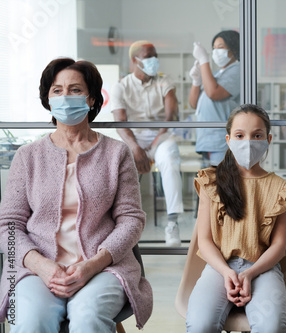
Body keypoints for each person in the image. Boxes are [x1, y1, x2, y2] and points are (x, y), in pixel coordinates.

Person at [0, 58, 152, 332]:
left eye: (75, 89)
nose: (65, 97)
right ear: (47, 98)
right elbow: (8, 226)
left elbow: (131, 219)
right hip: (37, 267)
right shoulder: (28, 156)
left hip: (102, 267)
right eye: (57, 90)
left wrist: (92, 265)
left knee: (88, 317)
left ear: (92, 99)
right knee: (33, 321)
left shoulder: (116, 153)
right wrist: (41, 265)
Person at [185, 104, 286, 332]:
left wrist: (250, 273)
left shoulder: (281, 188)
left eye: (257, 135)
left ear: (268, 139)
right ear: (228, 139)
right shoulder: (211, 181)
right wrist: (227, 272)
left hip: (264, 268)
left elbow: (279, 246)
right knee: (200, 325)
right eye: (240, 135)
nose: (248, 142)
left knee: (271, 327)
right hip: (219, 267)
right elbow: (205, 240)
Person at [111, 40, 184, 247]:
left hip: (160, 137)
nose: (154, 61)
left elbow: (171, 116)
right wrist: (135, 148)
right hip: (132, 138)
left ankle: (172, 223)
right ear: (135, 60)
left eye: (155, 56)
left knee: (169, 159)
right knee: (118, 167)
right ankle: (120, 225)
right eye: (148, 57)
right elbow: (120, 123)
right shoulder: (121, 86)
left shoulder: (164, 81)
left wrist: (153, 146)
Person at [189, 30, 240, 167]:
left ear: (233, 49)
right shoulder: (217, 75)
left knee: (220, 185)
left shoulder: (238, 70)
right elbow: (193, 103)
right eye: (214, 48)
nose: (216, 51)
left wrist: (204, 60)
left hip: (221, 142)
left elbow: (213, 93)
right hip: (206, 141)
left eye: (220, 47)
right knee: (208, 185)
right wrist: (196, 81)